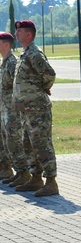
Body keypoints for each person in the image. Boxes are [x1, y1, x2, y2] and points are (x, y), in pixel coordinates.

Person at [11, 20, 58, 196]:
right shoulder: (25, 54)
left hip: (37, 109)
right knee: (28, 143)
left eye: (19, 32)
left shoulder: (35, 54)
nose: (16, 35)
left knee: (41, 143)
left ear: (28, 34)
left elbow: (49, 74)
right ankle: (36, 177)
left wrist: (43, 88)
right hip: (26, 110)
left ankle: (51, 182)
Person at [0, 32, 29, 185]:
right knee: (6, 140)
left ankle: (23, 172)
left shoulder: (12, 63)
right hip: (4, 109)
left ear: (6, 44)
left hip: (12, 111)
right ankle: (10, 169)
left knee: (14, 141)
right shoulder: (4, 62)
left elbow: (16, 87)